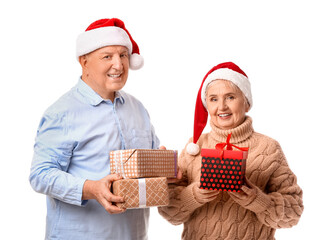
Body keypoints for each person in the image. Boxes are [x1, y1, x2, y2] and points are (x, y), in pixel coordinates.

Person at [29, 18, 160, 240]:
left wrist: (165, 168)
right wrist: (91, 188)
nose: (118, 65)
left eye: (123, 55)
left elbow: (152, 166)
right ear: (84, 62)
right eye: (107, 56)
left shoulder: (138, 108)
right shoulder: (62, 112)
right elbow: (40, 175)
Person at [158, 62, 304, 239]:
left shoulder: (269, 148)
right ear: (207, 105)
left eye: (230, 97)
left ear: (247, 103)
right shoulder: (194, 147)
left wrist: (257, 200)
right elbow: (169, 213)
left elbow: (294, 212)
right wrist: (194, 194)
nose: (222, 107)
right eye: (213, 99)